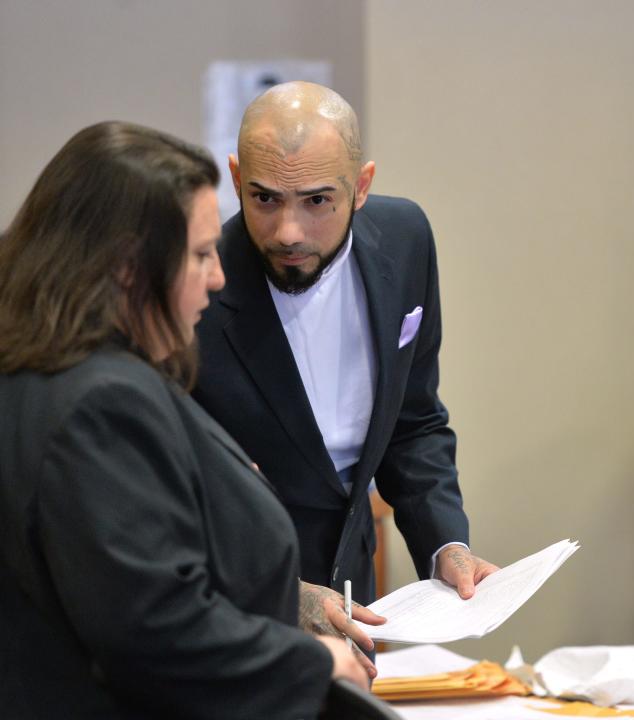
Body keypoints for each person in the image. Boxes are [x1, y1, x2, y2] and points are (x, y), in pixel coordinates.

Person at [0, 121, 368, 718]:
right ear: (126, 266)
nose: (218, 277)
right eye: (200, 256)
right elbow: (153, 629)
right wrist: (316, 662)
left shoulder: (38, 369)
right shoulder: (102, 401)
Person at [193, 82, 497, 613]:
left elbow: (414, 421)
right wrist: (281, 597)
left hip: (356, 589)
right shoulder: (196, 287)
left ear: (360, 186)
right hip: (238, 603)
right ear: (237, 180)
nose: (289, 231)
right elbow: (177, 489)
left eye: (317, 201)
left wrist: (446, 543)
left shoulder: (406, 240)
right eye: (265, 198)